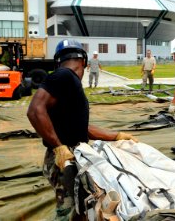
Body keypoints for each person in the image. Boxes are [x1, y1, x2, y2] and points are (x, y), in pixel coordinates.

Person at [27, 39, 137, 220]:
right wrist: (58, 147)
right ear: (84, 62)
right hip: (64, 160)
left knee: (81, 207)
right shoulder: (64, 77)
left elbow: (81, 128)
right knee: (68, 211)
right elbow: (34, 110)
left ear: (58, 59)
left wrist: (117, 136)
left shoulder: (68, 82)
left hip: (69, 156)